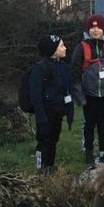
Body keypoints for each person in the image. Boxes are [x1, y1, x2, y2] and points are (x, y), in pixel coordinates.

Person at [70, 14, 104, 169]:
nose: (96, 30)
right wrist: (79, 96)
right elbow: (75, 73)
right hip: (89, 94)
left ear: (103, 29)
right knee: (89, 123)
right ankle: (88, 152)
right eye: (93, 27)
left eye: (99, 27)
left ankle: (103, 151)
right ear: (88, 30)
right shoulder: (81, 48)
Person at [31, 34, 74, 172]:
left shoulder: (63, 66)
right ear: (53, 50)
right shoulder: (40, 68)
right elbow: (36, 95)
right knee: (44, 141)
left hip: (58, 111)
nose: (65, 48)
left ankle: (50, 166)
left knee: (54, 139)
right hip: (46, 112)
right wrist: (41, 117)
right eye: (61, 46)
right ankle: (40, 168)